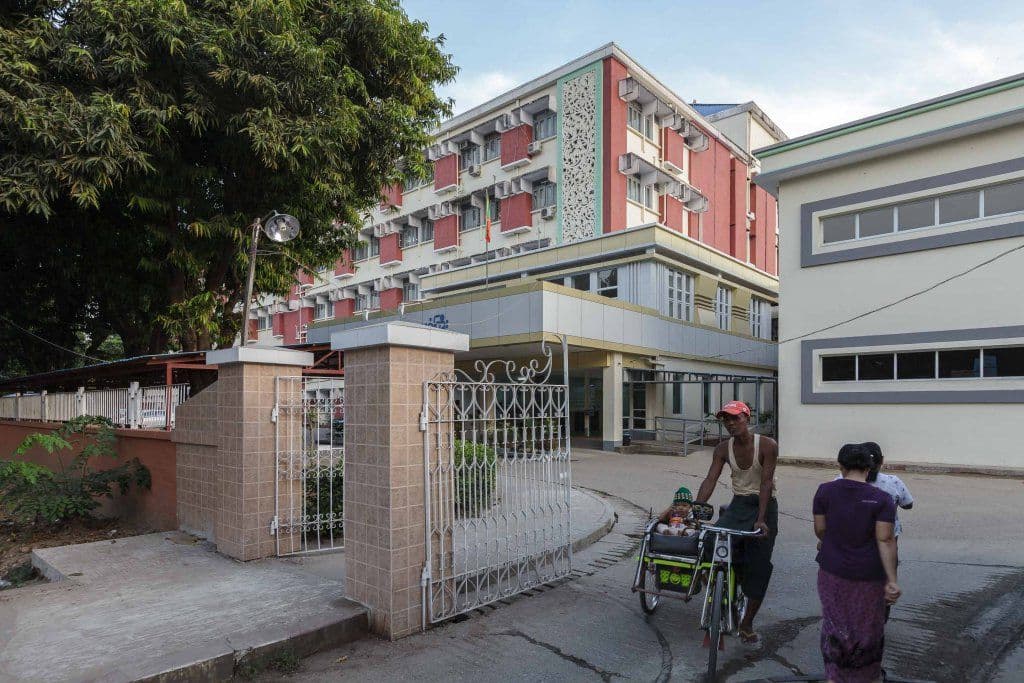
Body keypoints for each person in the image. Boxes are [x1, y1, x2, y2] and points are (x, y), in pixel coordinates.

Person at [814, 443, 901, 683]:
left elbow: (820, 529)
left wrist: (834, 542)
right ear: (869, 467)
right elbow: (885, 539)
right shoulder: (882, 499)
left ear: (840, 466)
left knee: (835, 624)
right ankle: (867, 678)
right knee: (867, 627)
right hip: (869, 576)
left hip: (832, 572)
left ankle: (834, 676)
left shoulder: (824, 491)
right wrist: (892, 580)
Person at [694, 400, 779, 643]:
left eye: (735, 418)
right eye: (726, 420)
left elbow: (766, 482)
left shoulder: (768, 445)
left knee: (759, 566)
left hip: (764, 506)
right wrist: (697, 508)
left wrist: (761, 520)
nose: (731, 423)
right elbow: (710, 479)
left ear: (747, 419)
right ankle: (715, 579)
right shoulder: (722, 448)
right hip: (738, 504)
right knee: (710, 537)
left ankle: (746, 623)